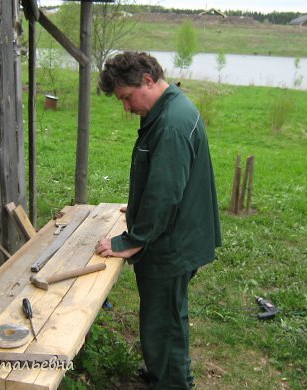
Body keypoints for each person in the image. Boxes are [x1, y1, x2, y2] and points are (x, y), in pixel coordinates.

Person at [95, 51, 221, 389]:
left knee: (165, 322)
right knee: (162, 315)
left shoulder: (171, 123)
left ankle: (173, 383)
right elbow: (163, 182)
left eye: (126, 97)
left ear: (148, 80)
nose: (126, 107)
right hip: (176, 235)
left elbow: (164, 196)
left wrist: (130, 240)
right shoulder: (171, 110)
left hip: (171, 243)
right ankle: (160, 374)